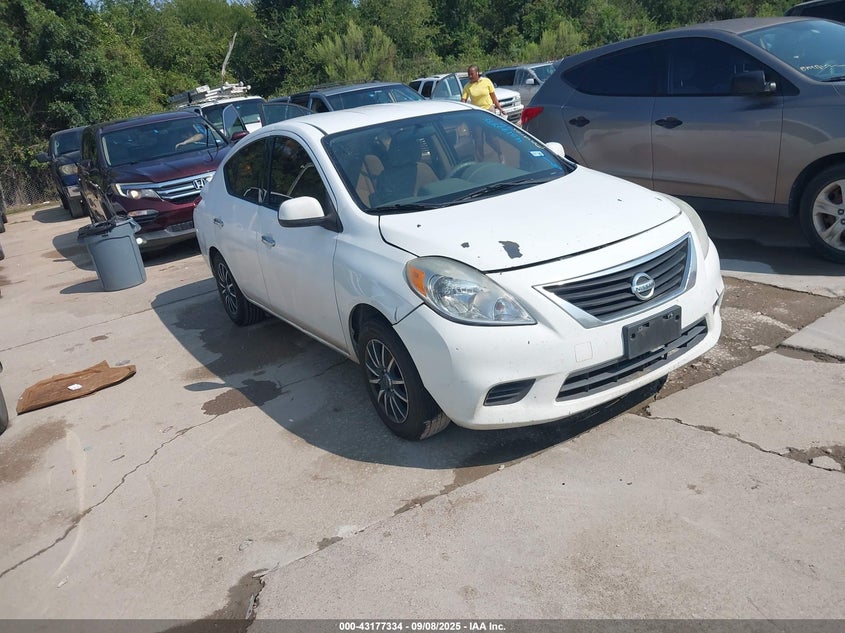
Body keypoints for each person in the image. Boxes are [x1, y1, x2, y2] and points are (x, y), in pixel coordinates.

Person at [461, 65, 505, 162]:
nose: (470, 76)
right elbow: (463, 100)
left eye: (472, 74)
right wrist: (462, 112)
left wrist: (500, 108)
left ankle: (500, 153)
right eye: (468, 74)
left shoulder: (486, 81)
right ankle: (481, 162)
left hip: (489, 111)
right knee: (478, 140)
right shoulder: (467, 86)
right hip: (477, 114)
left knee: (491, 137)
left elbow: (493, 97)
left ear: (477, 73)